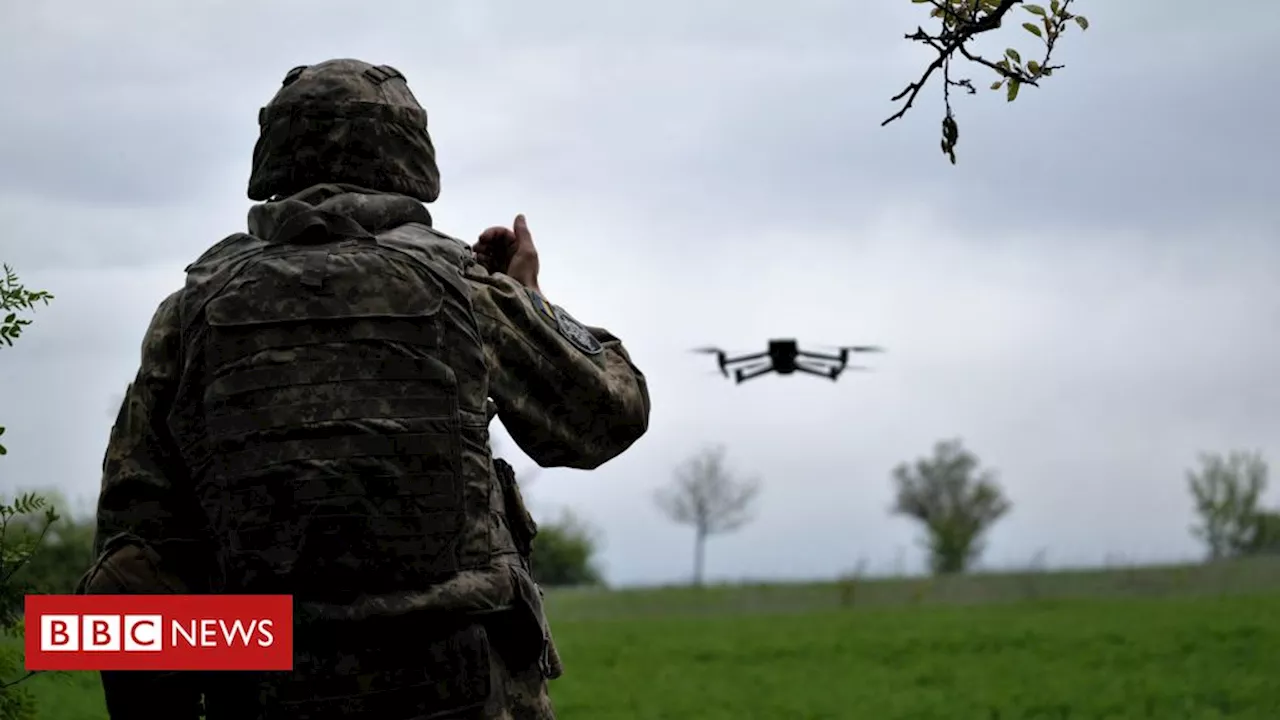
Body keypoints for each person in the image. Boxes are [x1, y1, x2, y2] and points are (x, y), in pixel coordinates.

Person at [81, 58, 650, 720]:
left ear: (274, 156)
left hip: (267, 692)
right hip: (464, 689)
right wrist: (528, 300)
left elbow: (133, 552)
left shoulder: (191, 314)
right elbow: (612, 414)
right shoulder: (464, 292)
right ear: (410, 153)